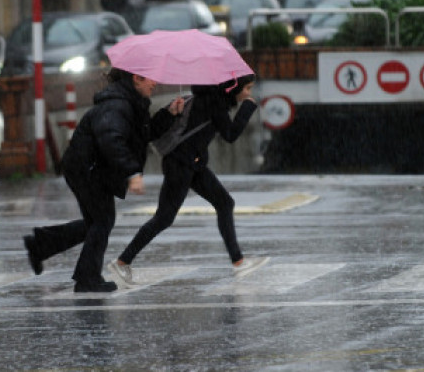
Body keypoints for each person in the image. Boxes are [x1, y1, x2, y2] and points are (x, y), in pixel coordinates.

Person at [23, 69, 180, 292]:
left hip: (92, 168)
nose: (155, 82)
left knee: (95, 222)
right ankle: (87, 278)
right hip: (86, 168)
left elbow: (143, 135)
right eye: (150, 77)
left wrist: (169, 113)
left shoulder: (132, 102)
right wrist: (132, 172)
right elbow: (110, 139)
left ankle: (41, 245)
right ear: (136, 78)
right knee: (102, 220)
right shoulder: (117, 105)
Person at [108, 74, 269, 288]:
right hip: (180, 164)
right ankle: (122, 261)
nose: (248, 93)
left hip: (192, 163)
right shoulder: (213, 102)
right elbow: (230, 135)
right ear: (233, 88)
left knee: (224, 203)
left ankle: (238, 261)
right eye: (247, 88)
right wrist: (247, 108)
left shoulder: (208, 99)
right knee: (164, 217)